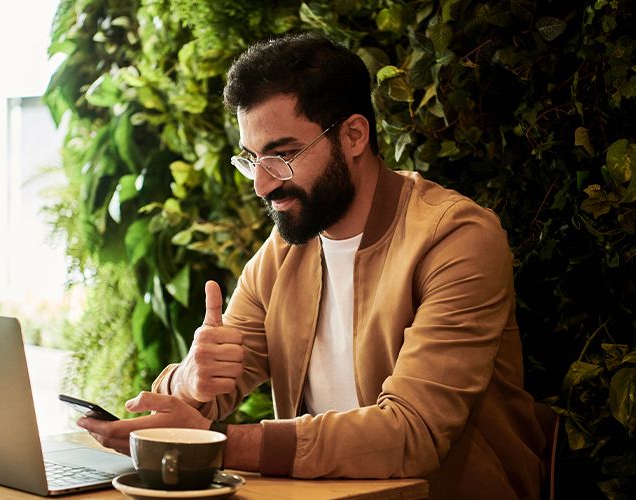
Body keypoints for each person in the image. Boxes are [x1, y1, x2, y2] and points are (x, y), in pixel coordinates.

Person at [79, 33, 545, 499]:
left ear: (354, 136)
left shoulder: (455, 238)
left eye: (283, 155)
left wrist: (216, 446)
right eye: (253, 159)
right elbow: (207, 388)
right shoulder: (286, 249)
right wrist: (192, 378)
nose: (262, 185)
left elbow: (411, 434)